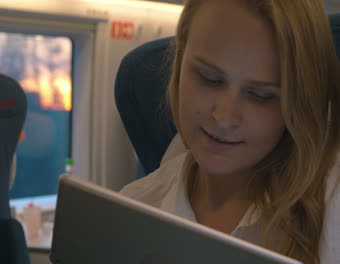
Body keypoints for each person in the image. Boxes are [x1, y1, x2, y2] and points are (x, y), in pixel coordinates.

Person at [120, 1, 340, 264]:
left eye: (260, 96)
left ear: (298, 103)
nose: (223, 118)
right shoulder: (133, 208)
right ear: (180, 62)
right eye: (208, 78)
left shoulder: (332, 208)